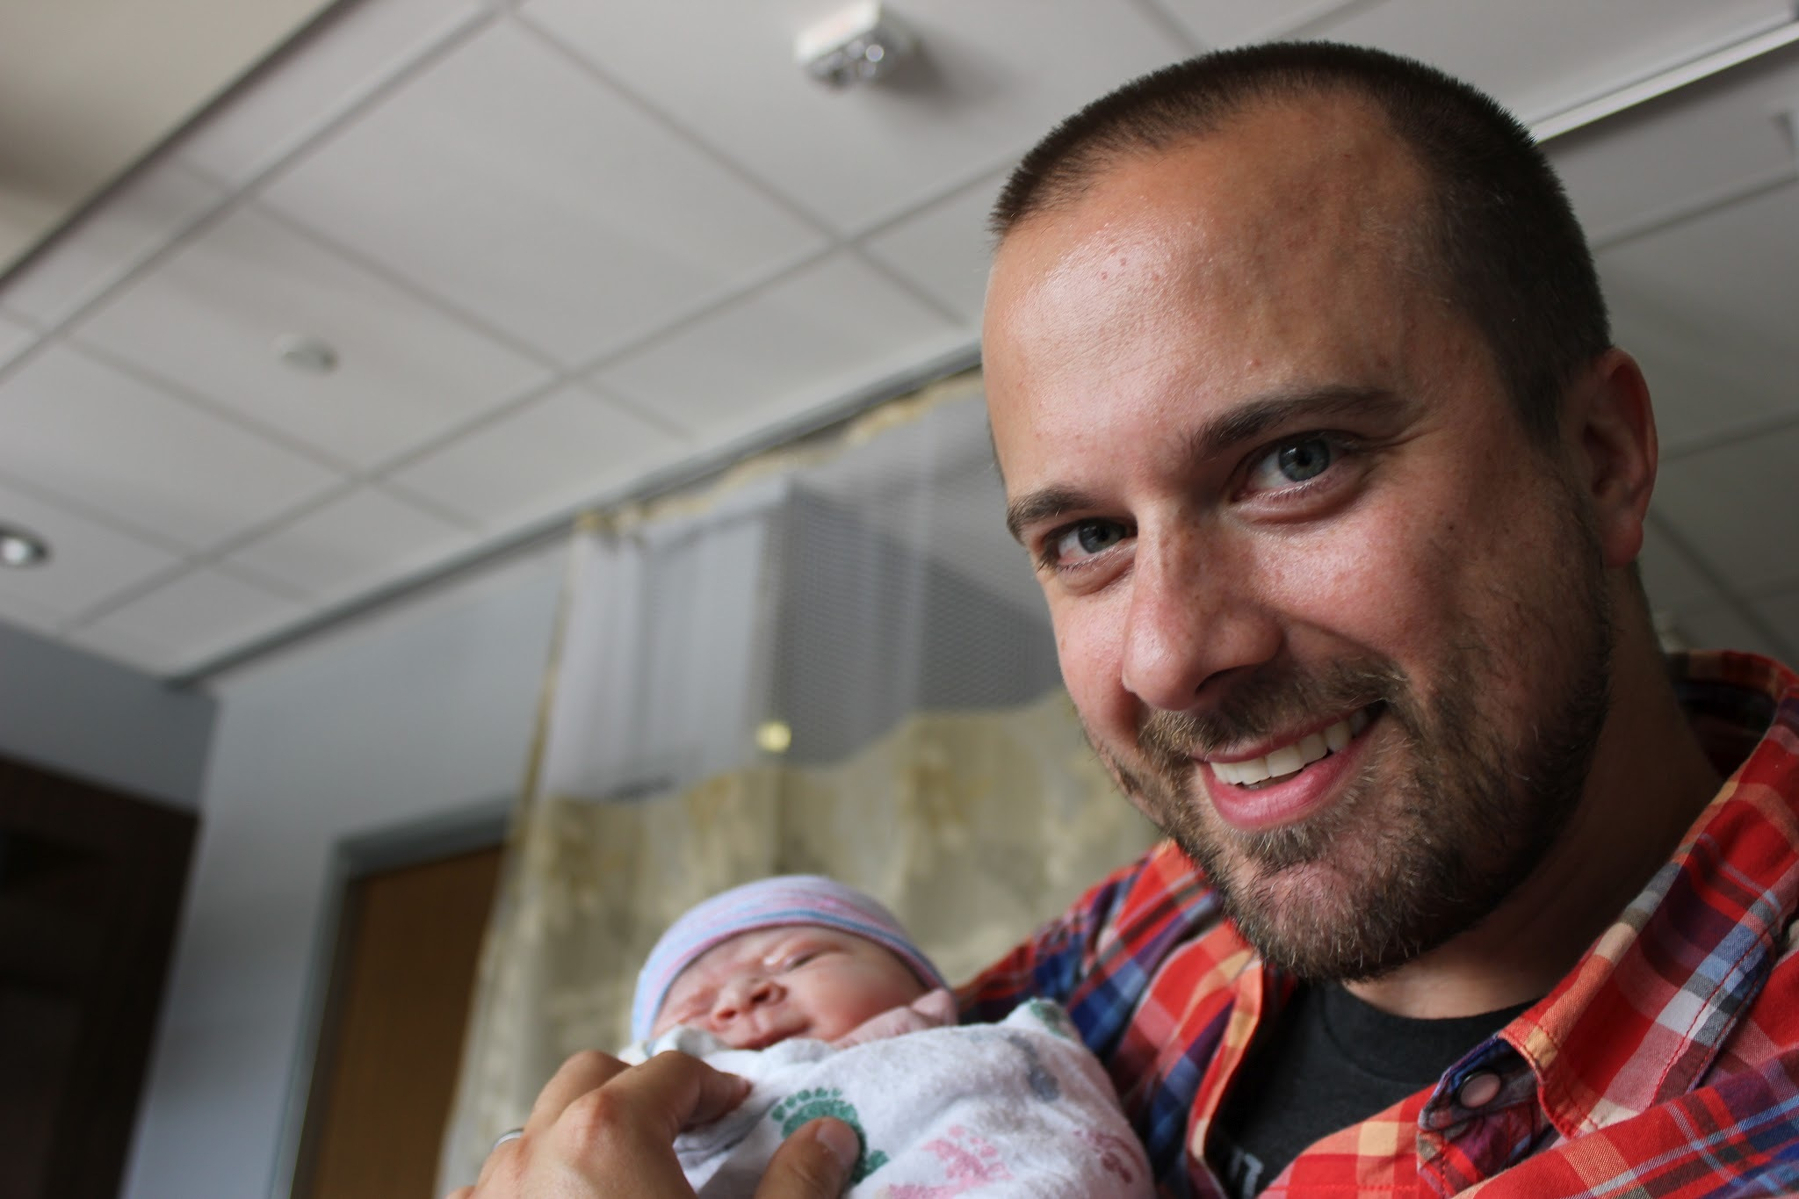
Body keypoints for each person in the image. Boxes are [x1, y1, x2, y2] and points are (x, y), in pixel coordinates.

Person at [452, 39, 1799, 1199]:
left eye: (1293, 461)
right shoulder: (1144, 932)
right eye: (1087, 536)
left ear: (1599, 454)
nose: (1166, 655)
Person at [616, 874, 1153, 1197]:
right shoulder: (651, 1128)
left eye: (797, 959)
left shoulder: (985, 1052)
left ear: (923, 987)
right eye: (697, 1009)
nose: (739, 997)